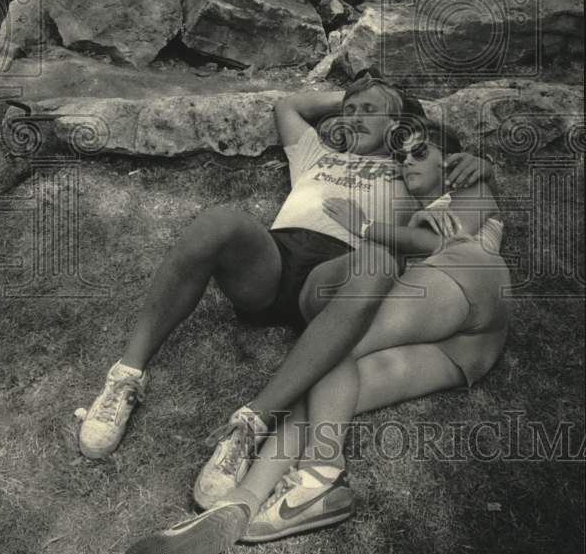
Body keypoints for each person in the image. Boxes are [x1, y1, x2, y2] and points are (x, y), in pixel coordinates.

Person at [123, 118, 510, 554]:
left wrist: (370, 224)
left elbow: (447, 237)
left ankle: (323, 473)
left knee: (333, 342)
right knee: (332, 396)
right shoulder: (409, 214)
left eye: (421, 152)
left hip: (466, 277)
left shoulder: (472, 181)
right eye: (404, 155)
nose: (408, 160)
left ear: (452, 161)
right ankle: (247, 499)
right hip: (472, 348)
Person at [78, 71, 492, 466]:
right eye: (350, 112)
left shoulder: (410, 172)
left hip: (338, 277)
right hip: (274, 262)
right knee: (218, 220)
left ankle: (253, 422)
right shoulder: (317, 152)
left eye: (369, 111)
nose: (354, 118)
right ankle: (126, 376)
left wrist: (477, 167)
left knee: (379, 261)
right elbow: (288, 106)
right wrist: (355, 99)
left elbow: (463, 209)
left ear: (400, 125)